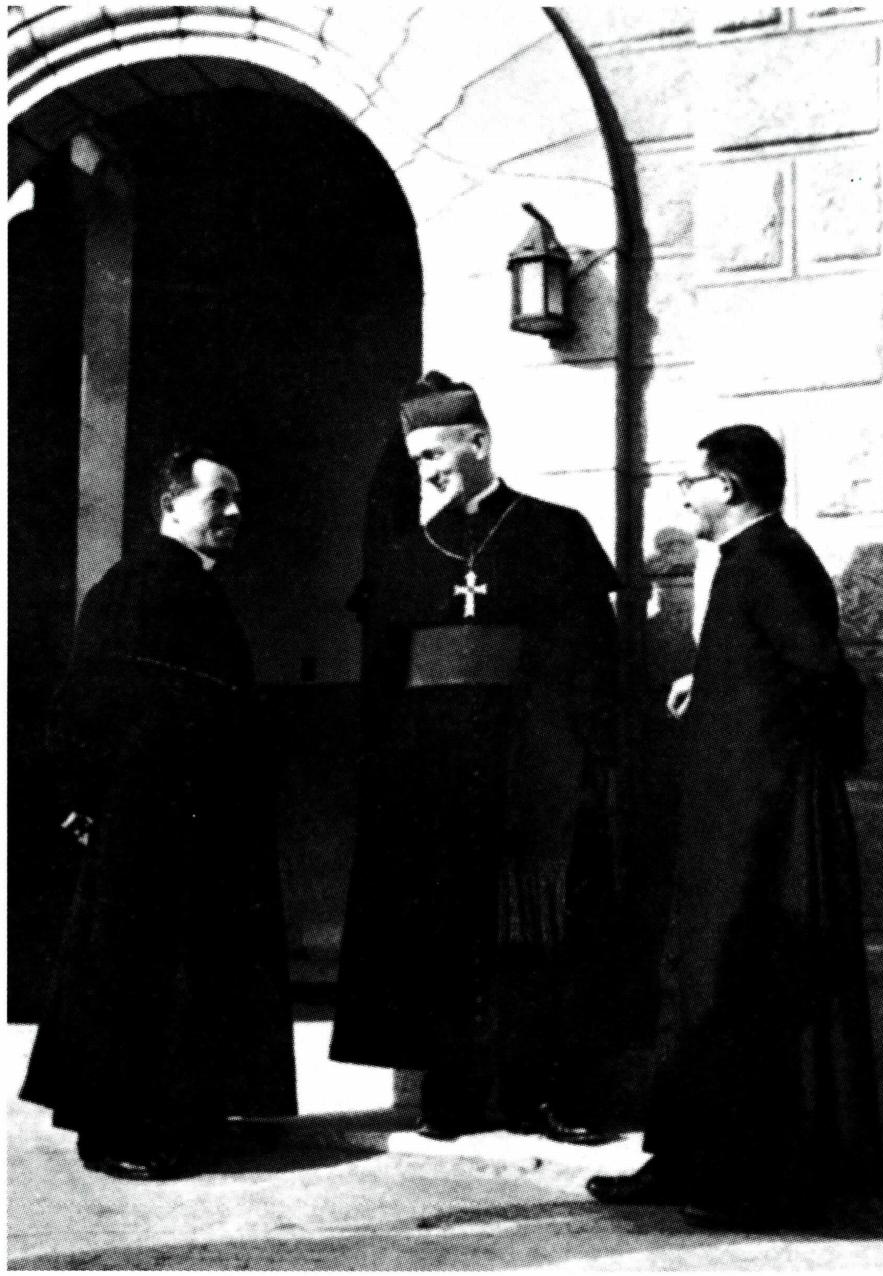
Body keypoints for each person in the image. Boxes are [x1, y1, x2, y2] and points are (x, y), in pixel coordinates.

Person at [587, 425, 881, 1226]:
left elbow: (826, 678)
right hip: (731, 815)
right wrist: (710, 681)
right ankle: (684, 1159)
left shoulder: (769, 562)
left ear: (727, 486)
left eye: (691, 482)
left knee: (740, 988)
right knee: (698, 979)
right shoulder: (750, 560)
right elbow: (772, 663)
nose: (683, 496)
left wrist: (786, 786)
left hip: (761, 826)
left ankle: (752, 1181)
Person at [330, 372, 619, 1143]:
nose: (426, 472)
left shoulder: (554, 531)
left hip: (532, 771)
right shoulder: (406, 554)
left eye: (436, 453)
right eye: (416, 460)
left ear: (479, 442)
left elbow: (591, 662)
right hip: (435, 781)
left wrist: (577, 765)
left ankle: (542, 1095)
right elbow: (385, 681)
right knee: (443, 936)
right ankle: (451, 1091)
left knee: (536, 935)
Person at [20, 446, 297, 1180]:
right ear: (170, 505)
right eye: (217, 498)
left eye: (237, 499)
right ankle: (117, 1133)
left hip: (196, 817)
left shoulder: (195, 587)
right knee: (136, 971)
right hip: (147, 819)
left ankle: (189, 1117)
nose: (234, 512)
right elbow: (85, 702)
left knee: (191, 968)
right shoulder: (134, 587)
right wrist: (83, 800)